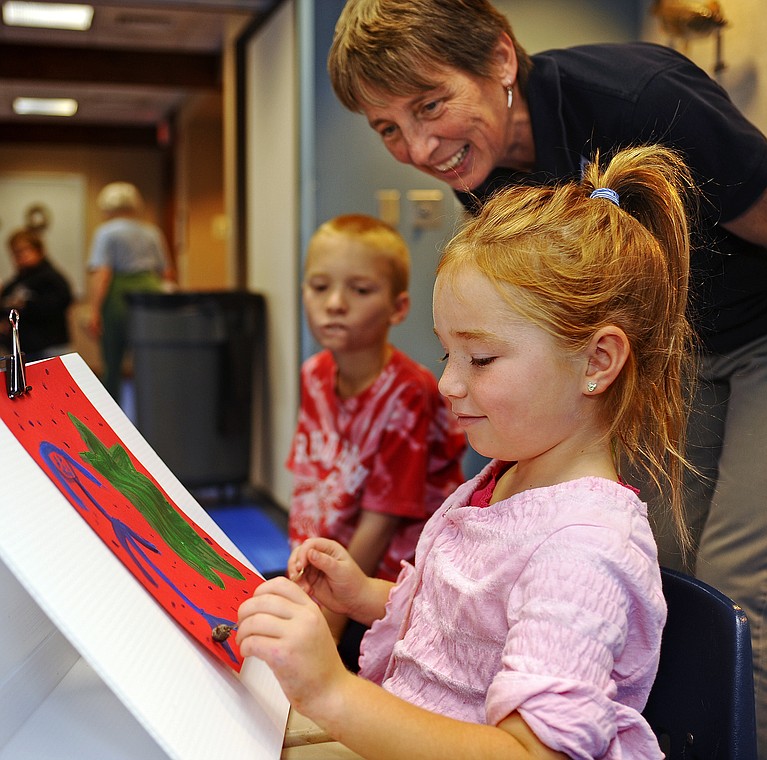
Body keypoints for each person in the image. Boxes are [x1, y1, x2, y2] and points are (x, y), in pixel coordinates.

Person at [326, 4, 767, 756]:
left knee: (748, 583)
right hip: (666, 351)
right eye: (388, 128)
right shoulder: (479, 169)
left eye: (430, 105)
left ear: (502, 60)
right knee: (667, 560)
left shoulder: (638, 98)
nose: (418, 146)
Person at [238, 146, 694, 758]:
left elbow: (533, 753)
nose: (449, 383)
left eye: (480, 359)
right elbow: (463, 627)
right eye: (447, 354)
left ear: (597, 361)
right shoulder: (505, 478)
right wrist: (364, 595)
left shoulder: (585, 550)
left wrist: (331, 692)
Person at [287, 213, 465, 670]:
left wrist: (324, 629)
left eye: (360, 290)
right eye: (319, 286)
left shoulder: (408, 392)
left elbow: (380, 524)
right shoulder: (313, 376)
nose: (335, 304)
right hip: (328, 568)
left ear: (398, 307)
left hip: (390, 587)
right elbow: (313, 485)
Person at [86, 182, 172, 401]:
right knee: (151, 359)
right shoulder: (152, 231)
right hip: (152, 295)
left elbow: (102, 274)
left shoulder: (106, 233)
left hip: (119, 296)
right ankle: (154, 409)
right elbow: (167, 273)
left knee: (112, 362)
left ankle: (111, 414)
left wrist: (94, 311)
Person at [1, 228, 73, 360]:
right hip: (24, 350)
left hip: (49, 348)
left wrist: (26, 305)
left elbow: (61, 302)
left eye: (24, 250)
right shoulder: (16, 281)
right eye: (15, 252)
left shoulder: (51, 277)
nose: (20, 255)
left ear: (38, 250)